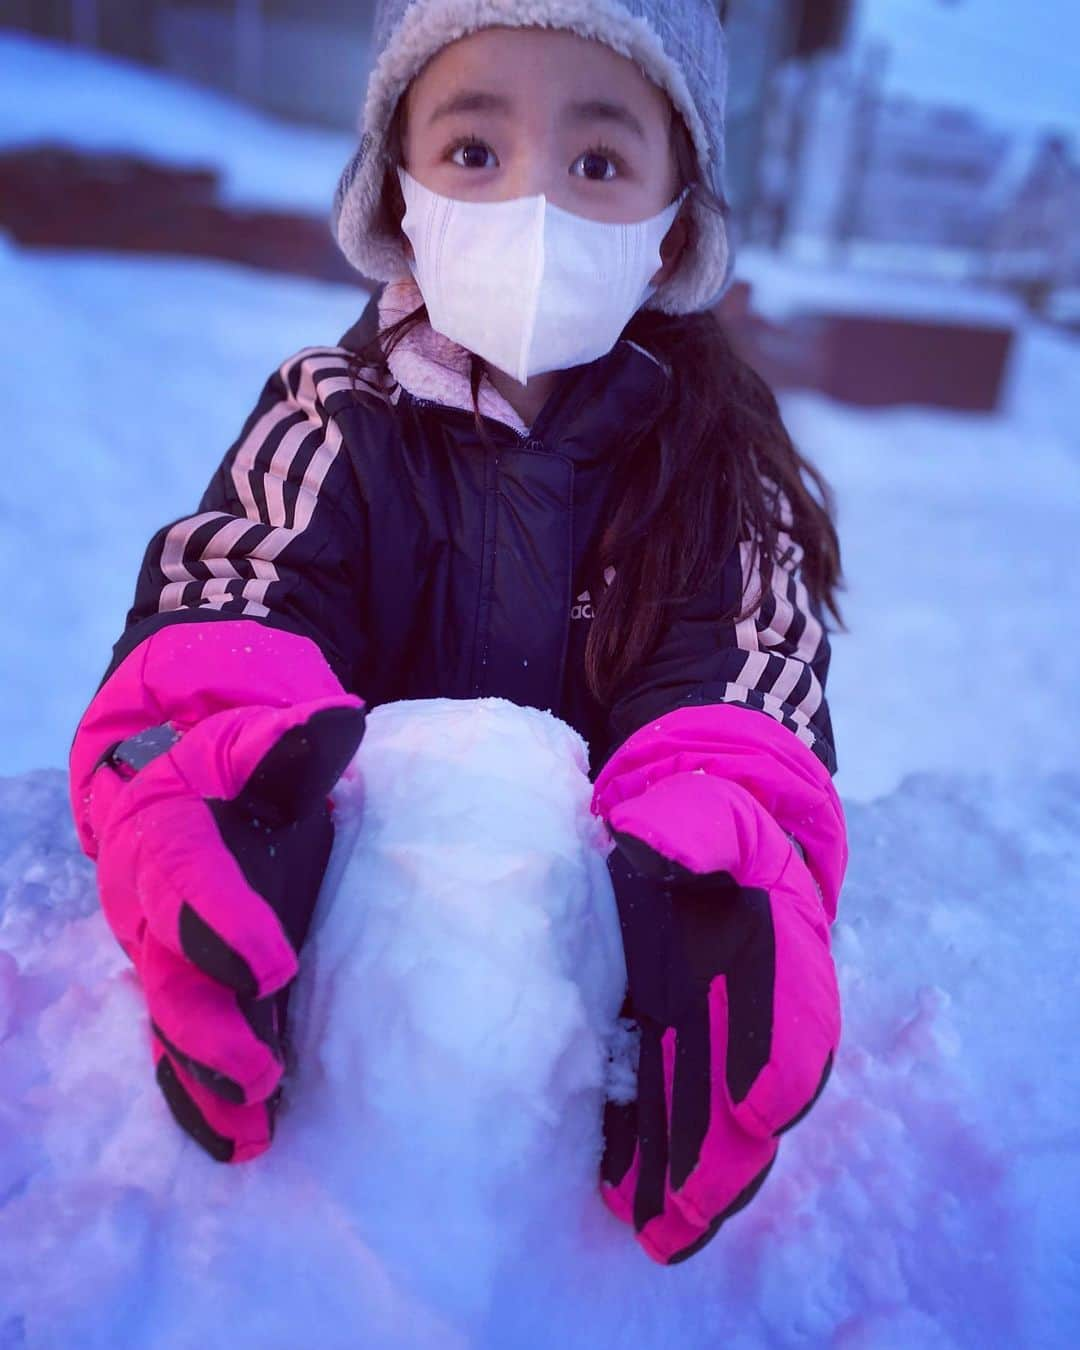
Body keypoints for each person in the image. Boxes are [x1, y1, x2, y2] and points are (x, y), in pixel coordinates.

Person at [68, 0, 850, 1267]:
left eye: (598, 162)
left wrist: (725, 878)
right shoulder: (333, 423)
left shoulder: (715, 479)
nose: (531, 210)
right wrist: (213, 776)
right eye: (475, 153)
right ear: (399, 197)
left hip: (560, 1047)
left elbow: (744, 699)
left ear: (669, 233)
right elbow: (237, 599)